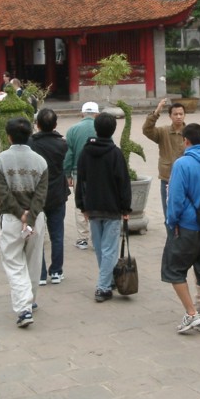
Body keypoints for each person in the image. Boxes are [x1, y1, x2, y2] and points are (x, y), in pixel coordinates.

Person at [162, 122, 200, 335]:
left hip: (186, 225)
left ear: (185, 140)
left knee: (174, 269)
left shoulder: (182, 163)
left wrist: (172, 222)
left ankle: (191, 312)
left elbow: (175, 199)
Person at [0, 117, 48, 328]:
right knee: (34, 260)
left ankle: (24, 308)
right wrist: (31, 216)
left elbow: (3, 193)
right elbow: (41, 195)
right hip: (36, 219)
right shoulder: (40, 162)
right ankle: (30, 300)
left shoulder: (0, 160)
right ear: (30, 135)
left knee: (14, 263)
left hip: (11, 219)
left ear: (8, 137)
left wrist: (20, 214)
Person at [76, 113, 132, 302]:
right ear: (113, 130)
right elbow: (123, 183)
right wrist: (125, 208)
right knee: (108, 249)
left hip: (92, 206)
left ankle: (106, 279)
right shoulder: (115, 154)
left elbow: (80, 180)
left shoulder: (86, 152)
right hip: (112, 207)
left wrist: (81, 205)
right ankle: (102, 287)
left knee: (101, 248)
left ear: (96, 129)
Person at [29, 108, 69, 286]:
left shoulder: (31, 144)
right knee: (57, 234)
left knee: (38, 235)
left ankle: (42, 273)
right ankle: (57, 271)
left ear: (37, 125)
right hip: (57, 192)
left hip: (37, 193)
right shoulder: (62, 144)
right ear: (55, 125)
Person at [142, 98, 186, 229]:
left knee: (185, 212)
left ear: (185, 115)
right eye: (175, 114)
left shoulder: (190, 132)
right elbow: (147, 130)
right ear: (170, 116)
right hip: (167, 178)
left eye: (181, 114)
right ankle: (171, 240)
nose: (178, 117)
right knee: (168, 213)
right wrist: (156, 112)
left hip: (186, 179)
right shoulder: (163, 132)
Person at [64, 102, 100, 250]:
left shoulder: (72, 130)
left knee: (80, 204)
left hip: (78, 171)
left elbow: (69, 154)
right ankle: (97, 238)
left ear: (82, 113)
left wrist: (67, 174)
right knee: (98, 202)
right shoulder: (101, 128)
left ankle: (82, 239)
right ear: (97, 114)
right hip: (99, 172)